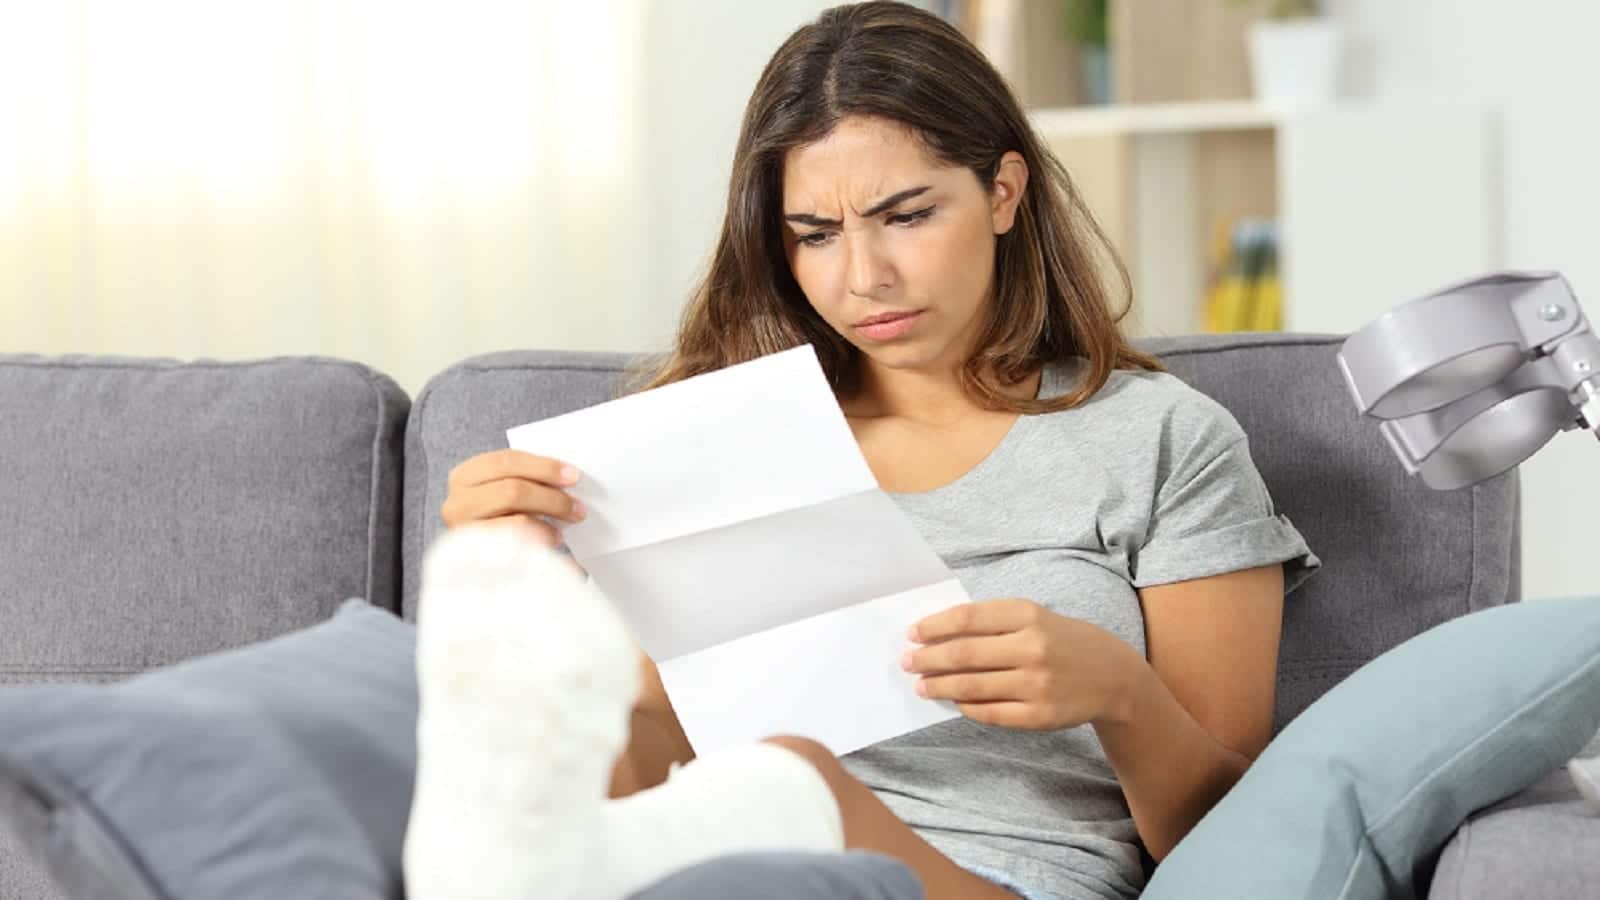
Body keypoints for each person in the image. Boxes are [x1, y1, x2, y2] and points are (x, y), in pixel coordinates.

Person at [403, 3, 1319, 900]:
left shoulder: (1163, 440)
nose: (863, 278)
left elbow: (1238, 846)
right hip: (707, 861)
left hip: (1000, 876)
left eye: (908, 216)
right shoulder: (706, 440)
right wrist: (519, 589)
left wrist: (1121, 694)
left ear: (1004, 192)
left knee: (785, 783)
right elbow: (645, 759)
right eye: (815, 235)